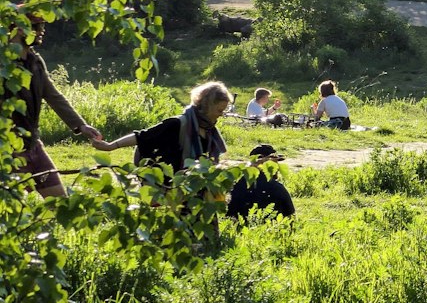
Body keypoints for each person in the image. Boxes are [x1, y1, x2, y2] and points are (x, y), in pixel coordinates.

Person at [6, 19, 103, 197]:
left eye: (42, 26)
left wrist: (81, 126)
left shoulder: (35, 61)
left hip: (34, 145)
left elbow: (53, 96)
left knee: (59, 204)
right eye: (36, 27)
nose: (42, 31)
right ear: (19, 29)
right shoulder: (4, 62)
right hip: (9, 149)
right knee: (15, 211)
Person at [96, 81, 232, 171]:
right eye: (219, 110)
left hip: (194, 187)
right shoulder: (177, 124)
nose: (221, 115)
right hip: (170, 187)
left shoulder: (209, 131)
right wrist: (110, 146)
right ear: (207, 105)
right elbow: (143, 137)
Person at [228, 144, 296, 220]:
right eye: (274, 163)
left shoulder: (236, 185)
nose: (277, 167)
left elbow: (228, 215)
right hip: (271, 229)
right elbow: (291, 218)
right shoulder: (277, 188)